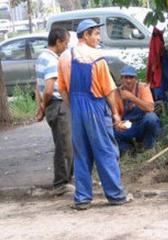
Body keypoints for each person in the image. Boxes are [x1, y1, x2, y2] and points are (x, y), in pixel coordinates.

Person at [57, 19, 128, 210]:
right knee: (105, 151)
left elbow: (62, 90)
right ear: (85, 35)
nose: (98, 38)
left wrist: (74, 108)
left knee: (81, 154)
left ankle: (82, 199)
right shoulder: (97, 58)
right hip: (96, 107)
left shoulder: (64, 57)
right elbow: (109, 90)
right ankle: (116, 195)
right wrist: (115, 114)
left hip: (76, 109)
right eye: (96, 34)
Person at [35, 27, 73, 195]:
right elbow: (49, 90)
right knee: (65, 146)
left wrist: (42, 105)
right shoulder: (51, 61)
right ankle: (61, 183)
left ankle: (67, 178)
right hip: (57, 105)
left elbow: (38, 86)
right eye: (65, 43)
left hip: (51, 106)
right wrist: (47, 102)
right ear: (58, 42)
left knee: (63, 143)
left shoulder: (41, 57)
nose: (66, 46)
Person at [114, 65, 161, 154]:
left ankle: (148, 147)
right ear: (121, 79)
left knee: (151, 118)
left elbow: (150, 108)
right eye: (125, 77)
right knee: (110, 133)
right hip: (128, 126)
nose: (128, 80)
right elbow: (116, 115)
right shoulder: (116, 93)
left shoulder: (143, 87)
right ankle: (130, 150)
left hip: (142, 123)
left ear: (136, 79)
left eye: (131, 77)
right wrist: (118, 124)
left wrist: (131, 97)